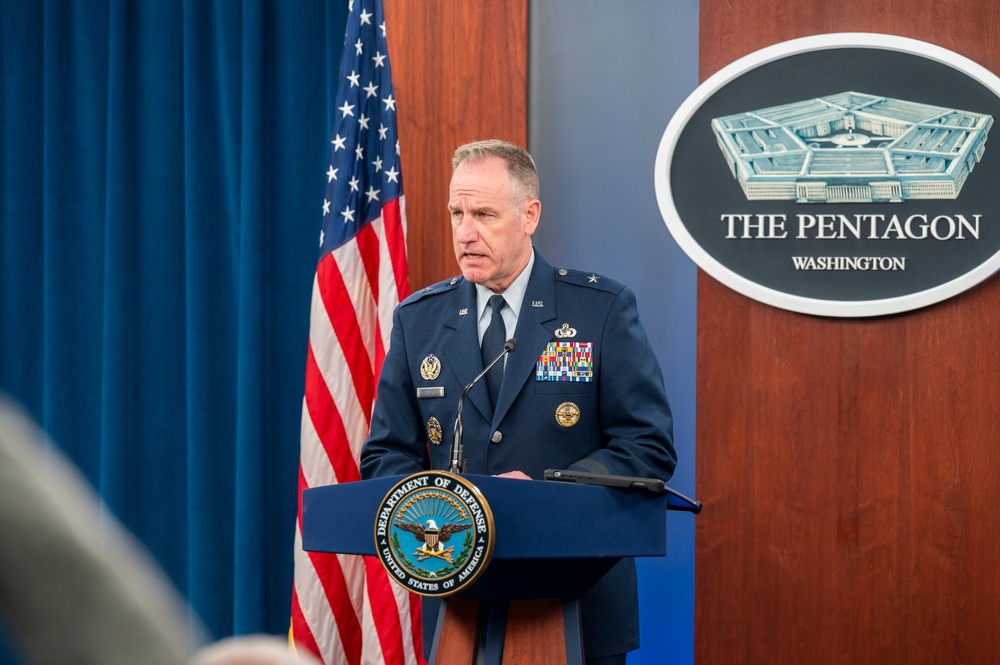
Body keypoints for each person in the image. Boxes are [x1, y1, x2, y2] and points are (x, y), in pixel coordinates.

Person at [360, 139, 676, 664]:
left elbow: (647, 445)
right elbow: (386, 454)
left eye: (483, 213)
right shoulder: (419, 320)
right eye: (457, 213)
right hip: (458, 598)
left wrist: (548, 494)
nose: (465, 232)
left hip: (577, 600)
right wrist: (439, 508)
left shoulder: (599, 309)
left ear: (529, 215)